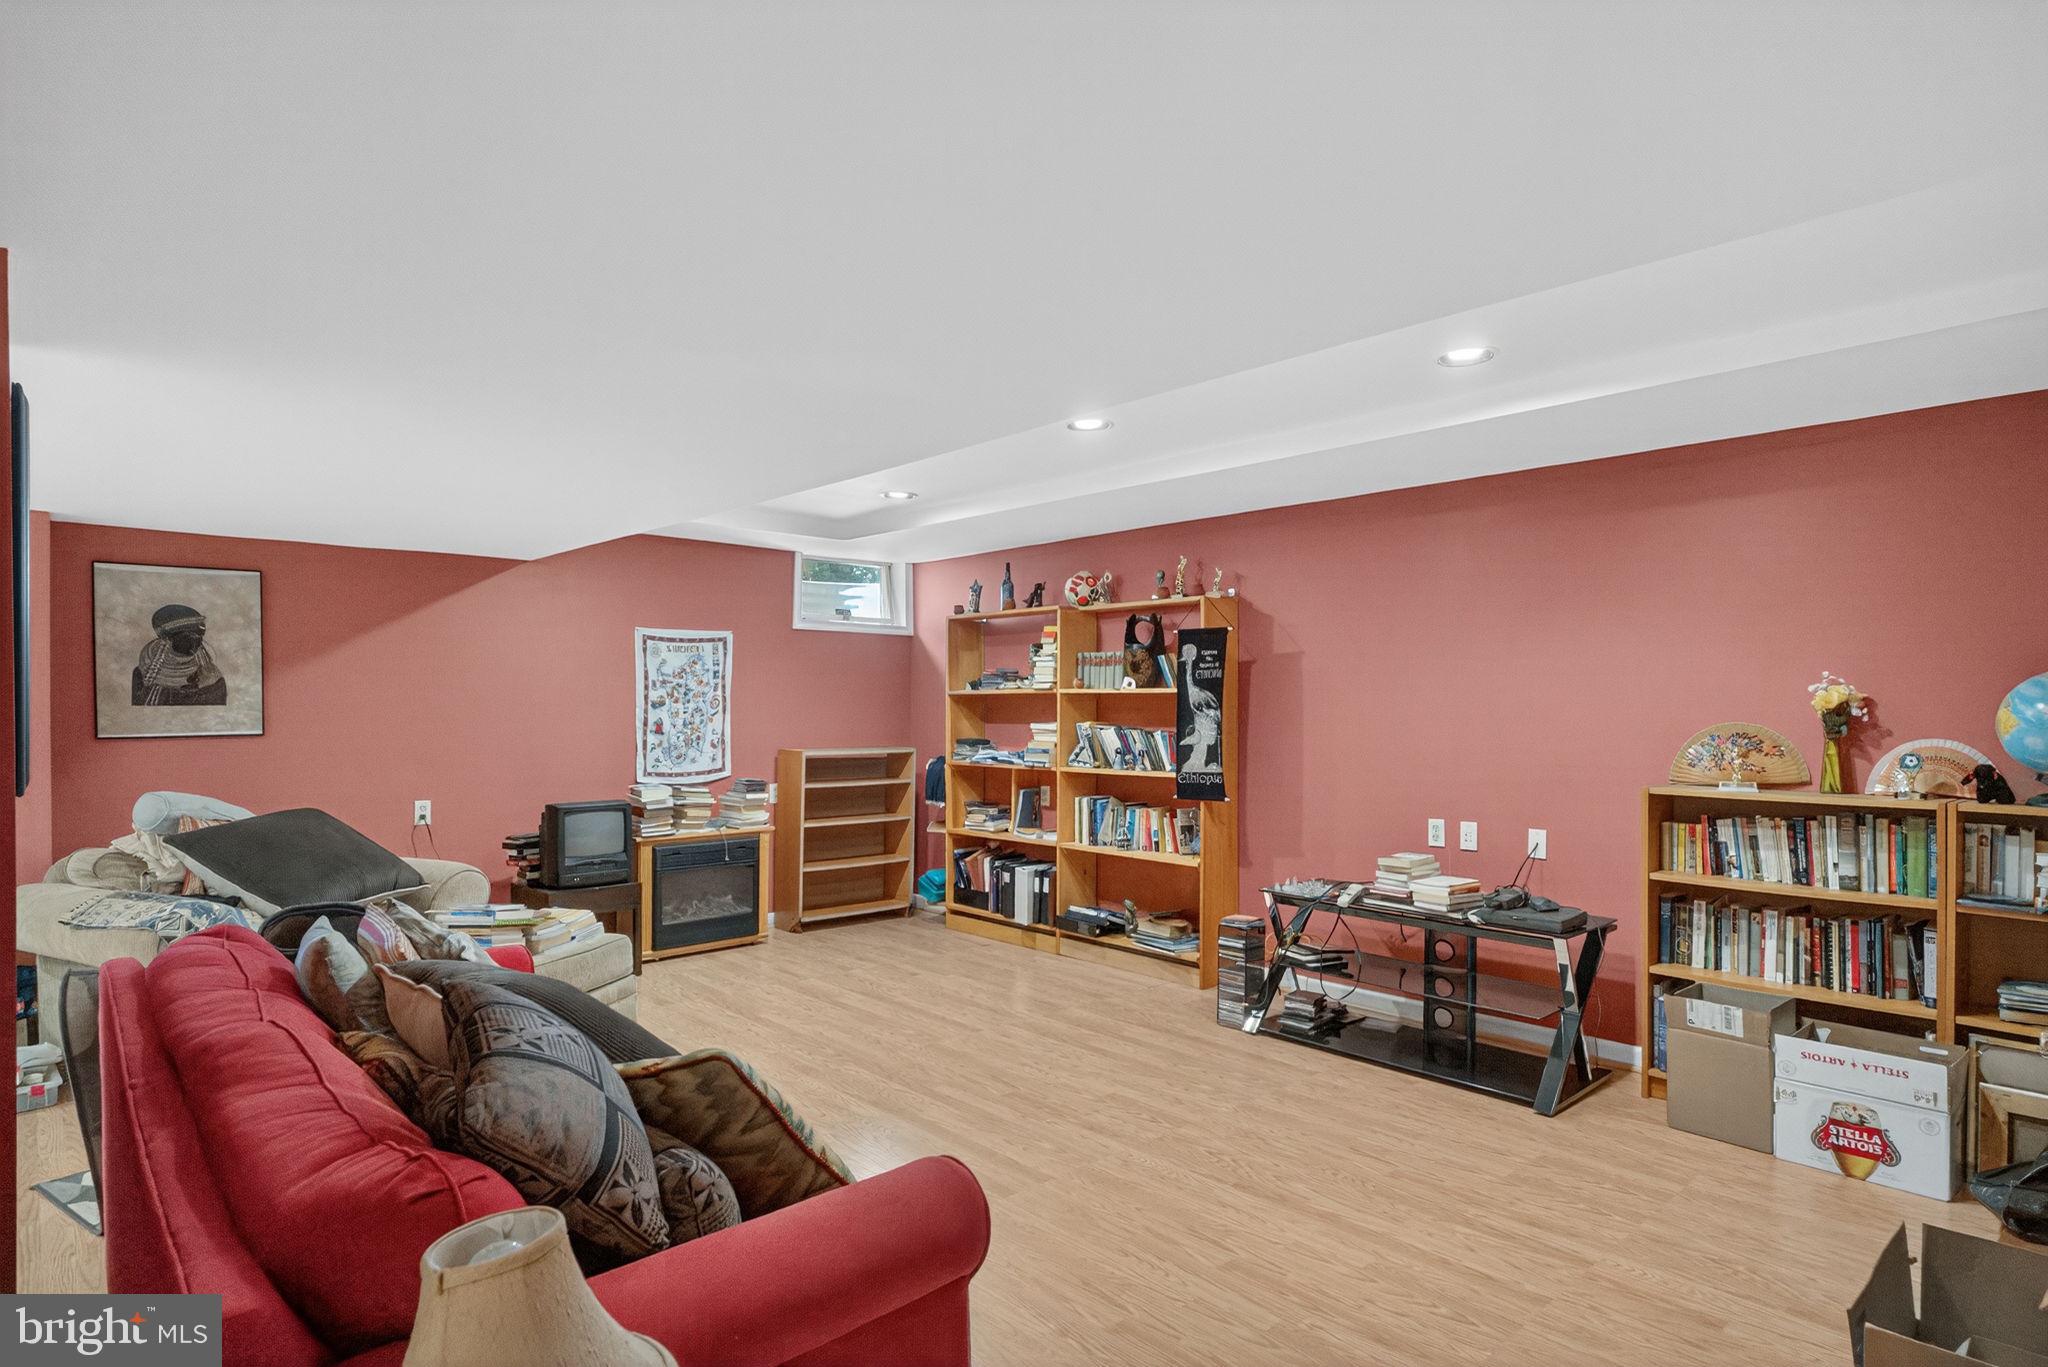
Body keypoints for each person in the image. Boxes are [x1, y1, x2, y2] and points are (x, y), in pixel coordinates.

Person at [132, 604, 227, 706]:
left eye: (199, 637)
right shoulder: (141, 674)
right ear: (167, 640)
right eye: (187, 638)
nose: (196, 643)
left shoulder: (214, 681)